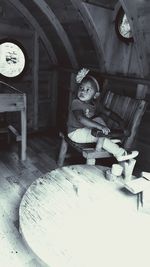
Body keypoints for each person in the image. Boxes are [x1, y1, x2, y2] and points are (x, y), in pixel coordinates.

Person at [67, 69, 139, 162]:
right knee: (99, 135)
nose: (83, 91)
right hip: (75, 133)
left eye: (88, 89)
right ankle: (121, 153)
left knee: (98, 119)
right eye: (81, 88)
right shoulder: (76, 102)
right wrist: (100, 127)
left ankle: (107, 138)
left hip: (84, 130)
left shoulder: (95, 104)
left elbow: (108, 112)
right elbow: (80, 118)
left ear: (95, 95)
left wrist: (120, 121)